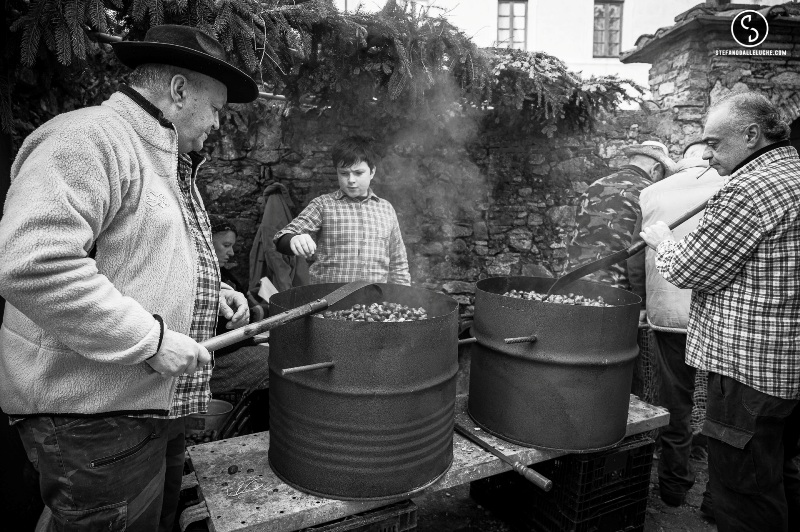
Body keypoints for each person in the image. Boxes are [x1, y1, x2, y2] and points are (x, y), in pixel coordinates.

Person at [0, 25, 258, 532]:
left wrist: (213, 294)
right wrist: (150, 339)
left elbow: (145, 256)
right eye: (217, 109)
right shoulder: (86, 138)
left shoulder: (164, 157)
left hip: (149, 407)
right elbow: (31, 262)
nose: (217, 125)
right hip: (95, 419)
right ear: (180, 91)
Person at [641, 91, 800, 532]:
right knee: (781, 473)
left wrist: (663, 244)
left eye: (714, 141)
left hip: (748, 373)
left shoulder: (748, 189)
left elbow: (691, 268)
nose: (707, 153)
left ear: (752, 134)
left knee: (744, 493)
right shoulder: (794, 172)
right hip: (785, 369)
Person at [634, 140, 725, 513]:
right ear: (708, 153)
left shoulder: (650, 192)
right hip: (718, 312)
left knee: (676, 400)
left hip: (667, 312)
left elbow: (642, 253)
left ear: (682, 158)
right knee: (724, 406)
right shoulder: (731, 184)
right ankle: (715, 498)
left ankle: (673, 486)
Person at [274, 135, 411, 285]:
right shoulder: (323, 204)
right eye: (344, 173)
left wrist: (402, 296)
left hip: (373, 303)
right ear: (337, 172)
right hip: (327, 301)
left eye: (358, 173)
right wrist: (294, 239)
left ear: (372, 172)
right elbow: (281, 238)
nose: (351, 180)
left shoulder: (386, 209)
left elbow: (399, 264)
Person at [569, 140, 674, 295]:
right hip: (618, 291)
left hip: (574, 283)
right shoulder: (651, 193)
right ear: (656, 169)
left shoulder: (593, 187)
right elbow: (644, 254)